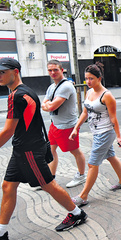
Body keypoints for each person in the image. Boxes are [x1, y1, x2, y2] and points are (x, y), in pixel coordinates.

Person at [0, 58, 87, 240]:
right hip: (23, 149)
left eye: (2, 72)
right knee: (8, 186)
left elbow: (8, 130)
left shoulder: (16, 96)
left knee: (48, 185)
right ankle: (0, 232)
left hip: (29, 151)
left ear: (15, 71)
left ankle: (77, 213)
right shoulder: (26, 91)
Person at [70, 62, 121, 207]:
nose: (88, 82)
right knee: (110, 156)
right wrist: (76, 128)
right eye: (86, 79)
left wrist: (119, 137)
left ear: (99, 78)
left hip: (105, 133)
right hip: (96, 132)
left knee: (92, 164)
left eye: (91, 79)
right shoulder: (89, 92)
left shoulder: (107, 95)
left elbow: (113, 118)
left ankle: (83, 196)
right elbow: (85, 112)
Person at [41, 60, 87, 188]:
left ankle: (81, 176)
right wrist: (47, 105)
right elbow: (44, 104)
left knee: (75, 151)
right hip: (54, 124)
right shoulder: (52, 87)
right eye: (50, 70)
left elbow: (51, 106)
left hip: (67, 126)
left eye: (55, 69)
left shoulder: (66, 86)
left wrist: (48, 105)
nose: (53, 72)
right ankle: (51, 177)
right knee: (51, 150)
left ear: (62, 70)